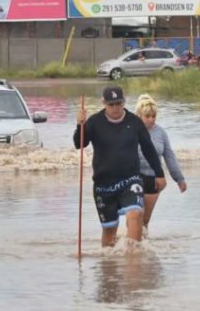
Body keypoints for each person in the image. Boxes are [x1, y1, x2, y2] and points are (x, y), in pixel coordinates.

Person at [74, 86, 167, 247]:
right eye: (111, 104)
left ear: (124, 102)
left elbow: (148, 149)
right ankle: (109, 265)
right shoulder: (95, 122)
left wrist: (159, 173)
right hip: (104, 185)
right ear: (103, 103)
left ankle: (133, 259)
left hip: (130, 180)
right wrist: (80, 125)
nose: (116, 108)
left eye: (119, 103)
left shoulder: (134, 122)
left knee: (136, 214)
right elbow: (79, 144)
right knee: (109, 233)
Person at [134, 94, 187, 235]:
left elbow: (169, 156)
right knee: (135, 216)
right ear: (138, 115)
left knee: (144, 220)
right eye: (147, 116)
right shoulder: (131, 131)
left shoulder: (161, 133)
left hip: (153, 179)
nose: (151, 119)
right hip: (134, 177)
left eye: (154, 116)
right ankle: (130, 244)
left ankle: (142, 248)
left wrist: (179, 178)